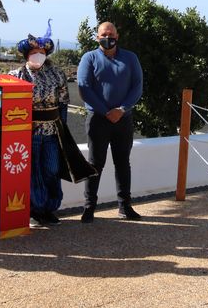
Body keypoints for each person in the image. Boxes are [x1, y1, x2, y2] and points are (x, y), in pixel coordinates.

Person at [8, 22, 96, 227]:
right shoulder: (16, 76)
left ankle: (49, 208)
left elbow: (63, 102)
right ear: (26, 54)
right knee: (32, 171)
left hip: (51, 131)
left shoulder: (57, 74)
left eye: (41, 51)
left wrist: (61, 129)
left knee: (51, 169)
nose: (38, 55)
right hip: (26, 133)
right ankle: (34, 210)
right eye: (34, 51)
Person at [76, 21, 144, 223]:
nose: (108, 38)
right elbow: (84, 87)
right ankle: (89, 208)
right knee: (95, 164)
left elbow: (137, 86)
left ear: (117, 36)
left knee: (123, 163)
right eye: (104, 34)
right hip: (98, 120)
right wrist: (106, 111)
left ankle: (125, 206)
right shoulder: (89, 58)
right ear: (97, 37)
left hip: (124, 119)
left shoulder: (130, 58)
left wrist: (121, 110)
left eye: (111, 34)